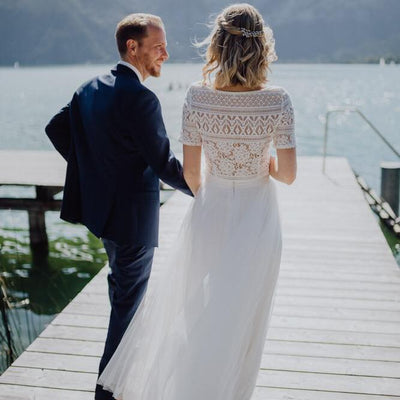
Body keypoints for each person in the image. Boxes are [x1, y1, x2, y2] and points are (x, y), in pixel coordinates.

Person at [97, 3, 296, 400]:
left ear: (217, 45)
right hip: (258, 215)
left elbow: (190, 174)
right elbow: (288, 175)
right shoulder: (278, 101)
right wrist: (264, 164)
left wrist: (220, 184)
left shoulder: (197, 95)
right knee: (246, 316)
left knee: (198, 308)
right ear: (263, 48)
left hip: (212, 208)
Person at [45, 13, 193, 400]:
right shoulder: (141, 97)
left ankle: (122, 385)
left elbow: (56, 129)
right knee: (126, 311)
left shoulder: (88, 88)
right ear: (133, 46)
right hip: (132, 221)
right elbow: (164, 164)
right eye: (158, 45)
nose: (166, 52)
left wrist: (94, 169)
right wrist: (207, 188)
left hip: (105, 217)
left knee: (121, 297)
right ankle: (107, 394)